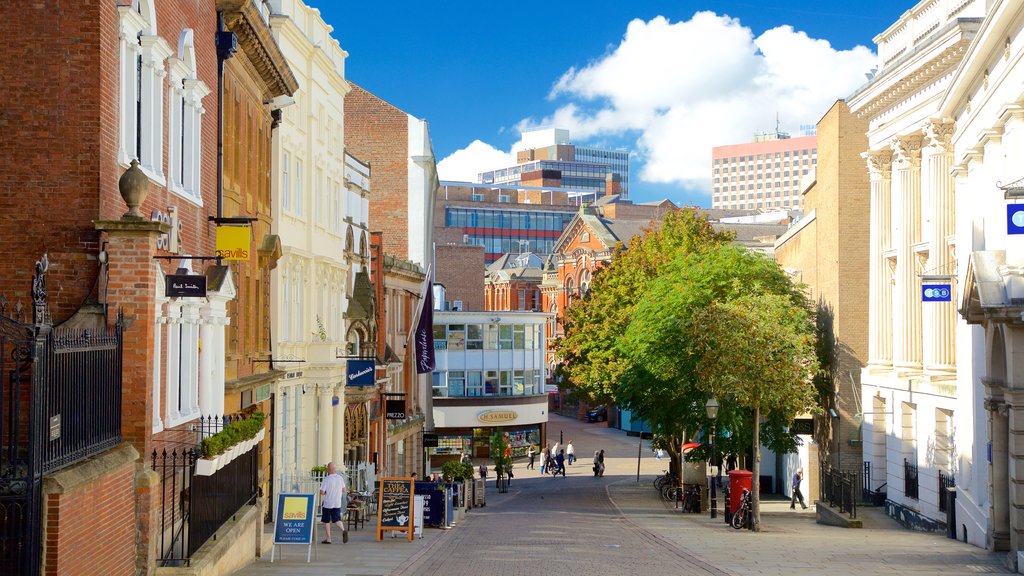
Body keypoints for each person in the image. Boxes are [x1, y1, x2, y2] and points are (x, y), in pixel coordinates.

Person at [319, 462, 349, 544]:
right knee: (337, 519)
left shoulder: (327, 479)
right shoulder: (340, 478)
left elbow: (322, 492)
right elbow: (344, 490)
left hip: (328, 503)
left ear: (328, 469)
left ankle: (328, 539)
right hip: (337, 502)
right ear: (335, 469)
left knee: (327, 520)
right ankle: (343, 530)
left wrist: (326, 493)